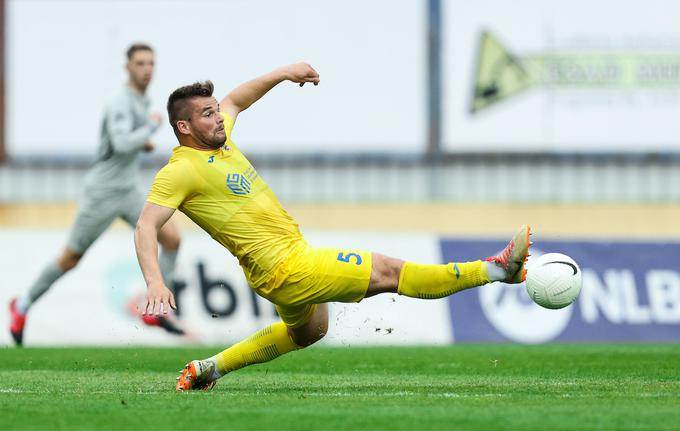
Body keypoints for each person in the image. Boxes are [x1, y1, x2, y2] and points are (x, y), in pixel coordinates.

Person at [133, 62, 531, 391]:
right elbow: (146, 227)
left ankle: (210, 369)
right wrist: (155, 280)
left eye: (215, 110)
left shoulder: (221, 142)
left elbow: (237, 99)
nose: (219, 117)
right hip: (286, 267)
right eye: (207, 114)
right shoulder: (181, 170)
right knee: (388, 272)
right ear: (184, 128)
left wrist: (284, 73)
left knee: (310, 332)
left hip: (278, 267)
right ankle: (497, 269)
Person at [8, 43, 183, 345]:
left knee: (172, 239)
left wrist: (142, 141)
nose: (147, 69)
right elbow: (120, 143)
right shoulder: (119, 101)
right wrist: (150, 129)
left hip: (127, 189)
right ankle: (21, 305)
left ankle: (151, 308)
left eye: (151, 63)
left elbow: (125, 141)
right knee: (70, 257)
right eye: (140, 63)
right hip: (102, 192)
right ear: (127, 67)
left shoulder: (140, 101)